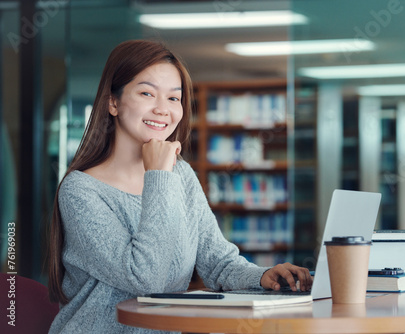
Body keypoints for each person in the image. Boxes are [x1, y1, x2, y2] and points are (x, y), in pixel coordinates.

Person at [47, 39, 312, 333]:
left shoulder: (180, 175)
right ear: (113, 102)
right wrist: (159, 175)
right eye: (147, 93)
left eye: (174, 98)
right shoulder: (82, 191)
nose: (163, 109)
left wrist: (263, 276)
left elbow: (218, 263)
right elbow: (146, 279)